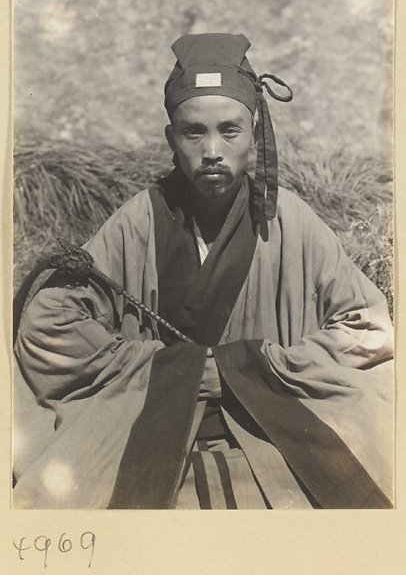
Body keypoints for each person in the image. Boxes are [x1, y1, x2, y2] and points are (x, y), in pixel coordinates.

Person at [13, 33, 393, 510]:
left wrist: (250, 371)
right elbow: (47, 326)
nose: (212, 150)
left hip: (272, 431)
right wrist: (175, 375)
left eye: (229, 131)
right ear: (172, 137)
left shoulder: (290, 221)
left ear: (252, 135)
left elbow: (370, 329)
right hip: (146, 429)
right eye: (194, 132)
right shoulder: (139, 220)